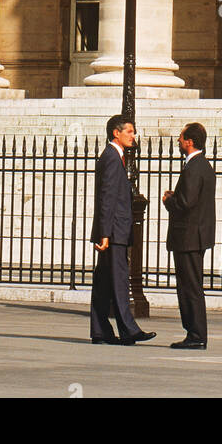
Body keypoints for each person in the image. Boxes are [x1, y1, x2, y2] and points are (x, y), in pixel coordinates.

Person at [89, 115, 156, 347]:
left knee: (104, 282)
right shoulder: (111, 158)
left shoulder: (113, 157)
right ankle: (128, 330)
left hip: (112, 230)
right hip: (113, 232)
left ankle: (100, 330)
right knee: (118, 281)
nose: (133, 136)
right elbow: (107, 198)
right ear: (116, 133)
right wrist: (105, 233)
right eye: (129, 131)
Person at [162, 122, 216, 349]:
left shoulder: (194, 167)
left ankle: (196, 334)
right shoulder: (203, 165)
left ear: (190, 141)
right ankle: (194, 333)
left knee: (190, 286)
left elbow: (186, 202)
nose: (178, 141)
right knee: (191, 285)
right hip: (196, 234)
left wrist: (169, 200)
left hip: (189, 236)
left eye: (181, 137)